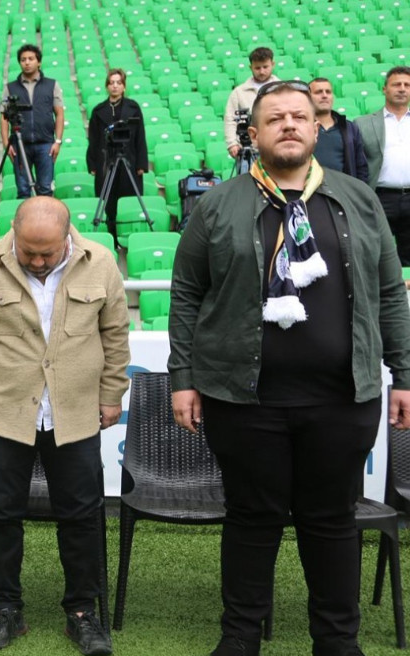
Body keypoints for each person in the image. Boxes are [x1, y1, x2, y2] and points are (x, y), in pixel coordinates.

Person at [169, 79, 410, 656]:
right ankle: (240, 638)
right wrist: (183, 378)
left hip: (341, 398)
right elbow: (185, 294)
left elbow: (390, 291)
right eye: (274, 118)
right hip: (244, 399)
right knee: (252, 520)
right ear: (253, 134)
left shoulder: (358, 197)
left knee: (331, 522)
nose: (289, 125)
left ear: (316, 126)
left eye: (299, 116)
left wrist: (403, 372)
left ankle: (336, 641)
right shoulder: (219, 204)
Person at [0, 196, 127, 656]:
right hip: (5, 410)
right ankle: (5, 608)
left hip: (76, 411)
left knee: (82, 515)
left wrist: (112, 393)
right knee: (1, 513)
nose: (36, 260)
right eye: (28, 250)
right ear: (14, 230)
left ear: (68, 235)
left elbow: (115, 333)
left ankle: (82, 612)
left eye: (47, 252)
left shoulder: (101, 262)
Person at [355, 66, 410, 265]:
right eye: (397, 84)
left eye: (407, 85)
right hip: (380, 197)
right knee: (377, 252)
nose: (402, 89)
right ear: (384, 88)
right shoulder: (363, 123)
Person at [85, 69, 149, 236]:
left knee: (128, 199)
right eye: (111, 83)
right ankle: (111, 236)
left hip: (129, 159)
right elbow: (93, 139)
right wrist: (92, 163)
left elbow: (140, 137)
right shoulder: (98, 111)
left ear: (124, 86)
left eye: (118, 83)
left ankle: (129, 234)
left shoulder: (133, 108)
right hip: (106, 161)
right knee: (109, 201)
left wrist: (142, 163)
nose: (115, 86)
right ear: (107, 86)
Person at [0, 44, 65, 198]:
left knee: (45, 188)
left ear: (39, 62)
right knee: (23, 189)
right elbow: (3, 118)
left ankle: (44, 222)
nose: (27, 62)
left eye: (31, 59)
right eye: (23, 60)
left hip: (45, 144)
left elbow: (60, 114)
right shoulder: (10, 88)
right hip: (20, 145)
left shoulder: (52, 85)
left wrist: (58, 141)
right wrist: (5, 143)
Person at [224, 47, 279, 171]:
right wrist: (232, 143)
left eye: (265, 67)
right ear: (251, 67)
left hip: (276, 149)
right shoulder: (239, 92)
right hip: (247, 151)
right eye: (257, 68)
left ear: (273, 64)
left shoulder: (283, 89)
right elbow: (230, 119)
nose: (262, 71)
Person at [307, 77, 368, 182]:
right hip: (310, 191)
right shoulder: (302, 127)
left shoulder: (349, 128)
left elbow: (361, 167)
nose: (324, 95)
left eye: (328, 92)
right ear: (308, 97)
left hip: (343, 192)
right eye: (318, 92)